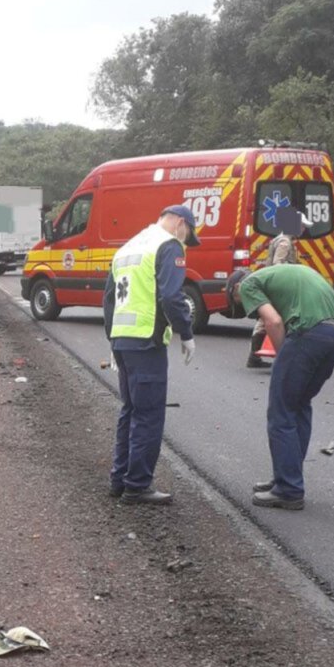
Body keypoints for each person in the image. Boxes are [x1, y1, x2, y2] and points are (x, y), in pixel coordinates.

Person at [226, 265, 334, 511]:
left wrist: (284, 358)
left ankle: (288, 489)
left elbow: (273, 321)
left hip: (309, 333)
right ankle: (287, 475)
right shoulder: (287, 273)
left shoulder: (250, 283)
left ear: (236, 287)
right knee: (299, 404)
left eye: (240, 302)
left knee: (281, 410)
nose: (250, 309)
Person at [103, 205, 200, 505]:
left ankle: (119, 480)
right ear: (180, 224)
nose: (186, 242)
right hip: (147, 342)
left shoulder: (128, 247)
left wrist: (113, 338)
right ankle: (137, 485)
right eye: (188, 236)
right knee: (148, 415)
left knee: (130, 411)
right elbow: (171, 296)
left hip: (122, 340)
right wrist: (186, 332)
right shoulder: (168, 245)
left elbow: (108, 300)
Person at [246, 206, 305, 368]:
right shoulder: (285, 243)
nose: (303, 229)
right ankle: (282, 357)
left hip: (271, 284)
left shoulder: (279, 239)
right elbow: (278, 265)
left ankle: (254, 357)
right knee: (275, 320)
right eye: (301, 226)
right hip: (278, 285)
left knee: (264, 320)